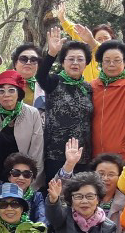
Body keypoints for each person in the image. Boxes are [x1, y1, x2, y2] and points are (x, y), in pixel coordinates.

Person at [37, 38, 94, 181]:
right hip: (56, 153)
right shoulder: (54, 82)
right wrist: (51, 53)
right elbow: (40, 76)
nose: (75, 63)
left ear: (86, 63)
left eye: (80, 59)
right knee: (55, 191)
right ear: (63, 62)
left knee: (80, 191)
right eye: (71, 59)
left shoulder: (88, 88)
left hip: (83, 154)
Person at [0, 145, 50, 226]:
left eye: (27, 174)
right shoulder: (0, 190)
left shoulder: (37, 197)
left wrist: (38, 229)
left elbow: (42, 218)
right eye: (16, 173)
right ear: (9, 177)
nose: (21, 178)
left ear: (32, 179)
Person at [91, 39, 125, 161]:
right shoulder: (92, 86)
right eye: (107, 61)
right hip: (96, 155)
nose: (111, 64)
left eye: (117, 60)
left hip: (124, 153)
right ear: (101, 62)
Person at [9, 43, 45, 107]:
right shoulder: (2, 83)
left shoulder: (45, 86)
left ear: (38, 66)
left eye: (33, 60)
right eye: (23, 59)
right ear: (15, 63)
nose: (28, 63)